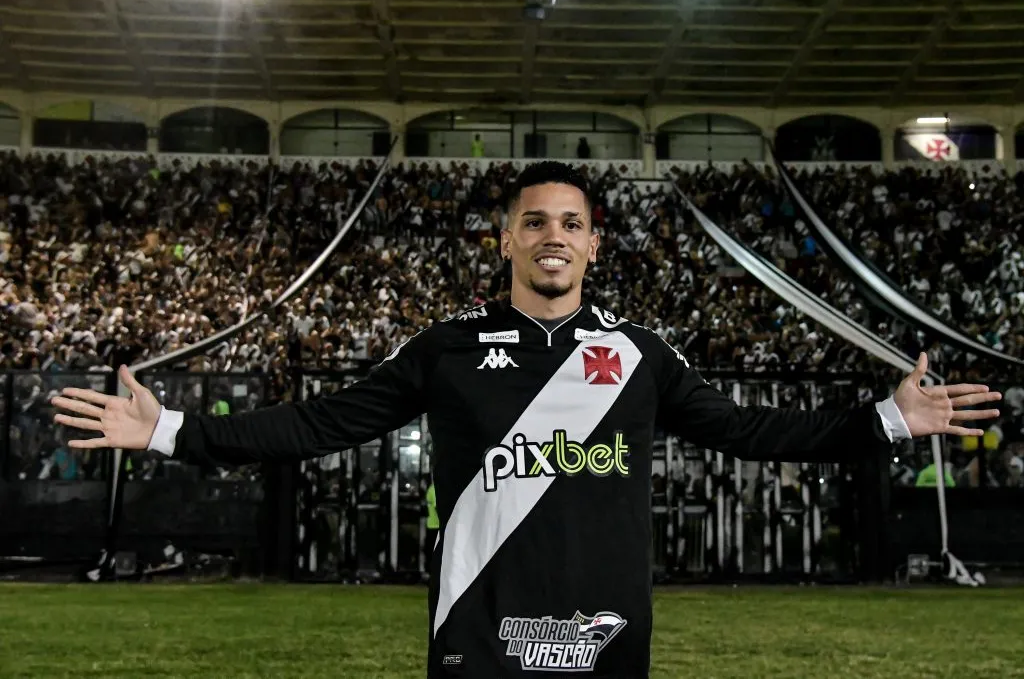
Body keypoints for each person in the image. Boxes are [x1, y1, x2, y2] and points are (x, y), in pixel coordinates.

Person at [52, 161, 1002, 678]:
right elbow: (323, 422)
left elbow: (753, 434)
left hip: (605, 634)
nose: (554, 235)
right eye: (536, 221)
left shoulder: (640, 353)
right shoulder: (445, 348)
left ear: (594, 243)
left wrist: (886, 421)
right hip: (480, 632)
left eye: (571, 223)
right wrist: (172, 432)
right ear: (506, 237)